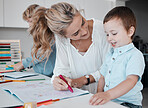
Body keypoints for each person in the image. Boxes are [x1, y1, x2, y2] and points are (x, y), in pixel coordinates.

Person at [29, 2, 110, 93]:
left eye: (82, 22)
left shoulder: (103, 30)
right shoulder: (61, 39)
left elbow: (109, 67)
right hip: (78, 95)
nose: (84, 32)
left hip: (106, 94)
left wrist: (84, 80)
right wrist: (58, 80)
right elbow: (61, 69)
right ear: (63, 36)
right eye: (76, 33)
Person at [89, 6, 145, 108]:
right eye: (107, 34)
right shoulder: (110, 53)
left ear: (130, 31)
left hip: (129, 104)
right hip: (110, 101)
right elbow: (102, 77)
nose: (109, 38)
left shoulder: (135, 55)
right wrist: (99, 94)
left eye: (114, 33)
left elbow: (131, 81)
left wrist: (108, 94)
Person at [13, 4, 56, 77]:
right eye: (28, 22)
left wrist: (23, 63)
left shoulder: (49, 34)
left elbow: (42, 54)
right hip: (41, 74)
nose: (29, 25)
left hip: (48, 75)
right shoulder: (39, 34)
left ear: (39, 20)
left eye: (30, 21)